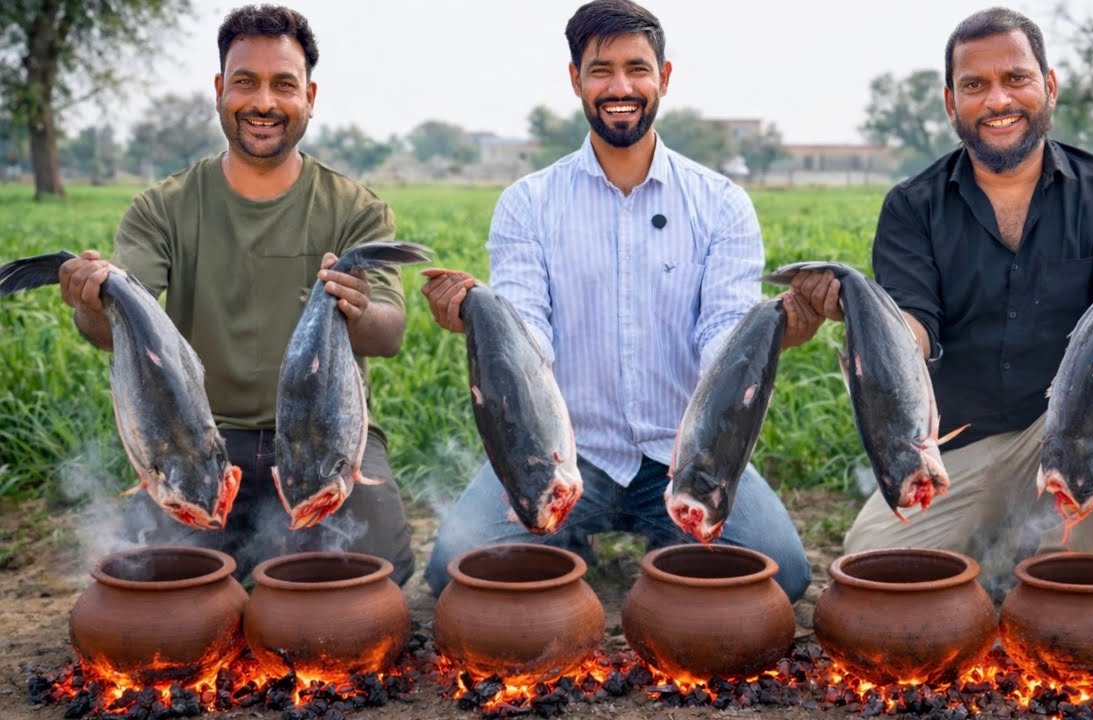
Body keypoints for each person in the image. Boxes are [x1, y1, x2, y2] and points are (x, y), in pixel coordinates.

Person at [790, 7, 1093, 592]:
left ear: (1048, 86)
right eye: (975, 85)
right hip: (958, 448)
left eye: (1015, 78)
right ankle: (992, 559)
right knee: (872, 573)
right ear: (950, 102)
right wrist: (871, 325)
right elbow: (915, 327)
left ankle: (1062, 575)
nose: (997, 100)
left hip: (1066, 429)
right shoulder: (912, 206)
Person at [421, 0, 820, 602]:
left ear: (664, 77)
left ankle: (667, 540)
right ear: (576, 79)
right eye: (601, 69)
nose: (620, 87)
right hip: (558, 454)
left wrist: (766, 336)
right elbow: (529, 336)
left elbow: (723, 335)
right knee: (453, 567)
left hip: (685, 455)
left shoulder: (720, 203)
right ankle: (574, 539)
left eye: (637, 68)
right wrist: (483, 319)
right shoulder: (528, 204)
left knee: (782, 573)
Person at [54, 5, 415, 585]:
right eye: (245, 82)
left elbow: (389, 334)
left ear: (310, 95)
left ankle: (261, 562)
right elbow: (114, 330)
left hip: (325, 435)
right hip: (198, 437)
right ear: (221, 90)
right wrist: (93, 304)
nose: (263, 102)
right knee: (146, 584)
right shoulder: (162, 208)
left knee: (372, 575)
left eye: (283, 85)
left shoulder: (356, 209)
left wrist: (356, 306)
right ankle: (248, 559)